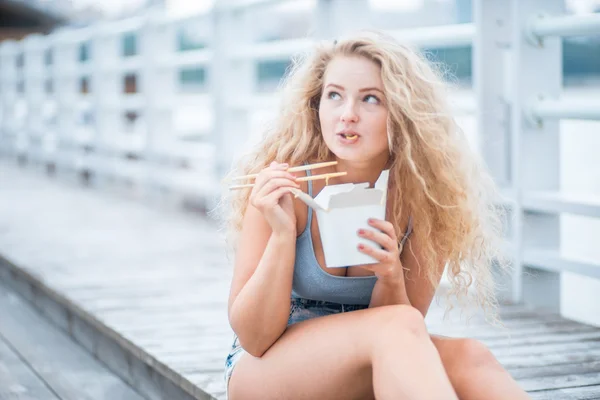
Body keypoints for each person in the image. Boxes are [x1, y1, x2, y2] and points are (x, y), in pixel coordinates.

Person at [219, 31, 530, 400]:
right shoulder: (285, 185)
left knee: (470, 357)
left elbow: (403, 329)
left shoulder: (427, 201)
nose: (347, 115)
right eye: (334, 95)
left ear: (402, 112)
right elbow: (255, 339)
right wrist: (283, 236)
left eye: (370, 99)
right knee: (396, 327)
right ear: (316, 104)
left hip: (364, 362)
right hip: (268, 367)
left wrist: (390, 278)